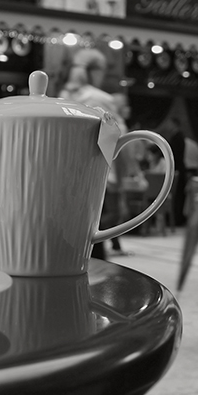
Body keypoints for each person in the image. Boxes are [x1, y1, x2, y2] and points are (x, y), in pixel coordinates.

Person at [58, 48, 126, 260]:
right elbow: (118, 139)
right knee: (98, 226)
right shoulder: (100, 98)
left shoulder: (62, 97)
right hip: (99, 175)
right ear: (95, 71)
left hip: (66, 176)